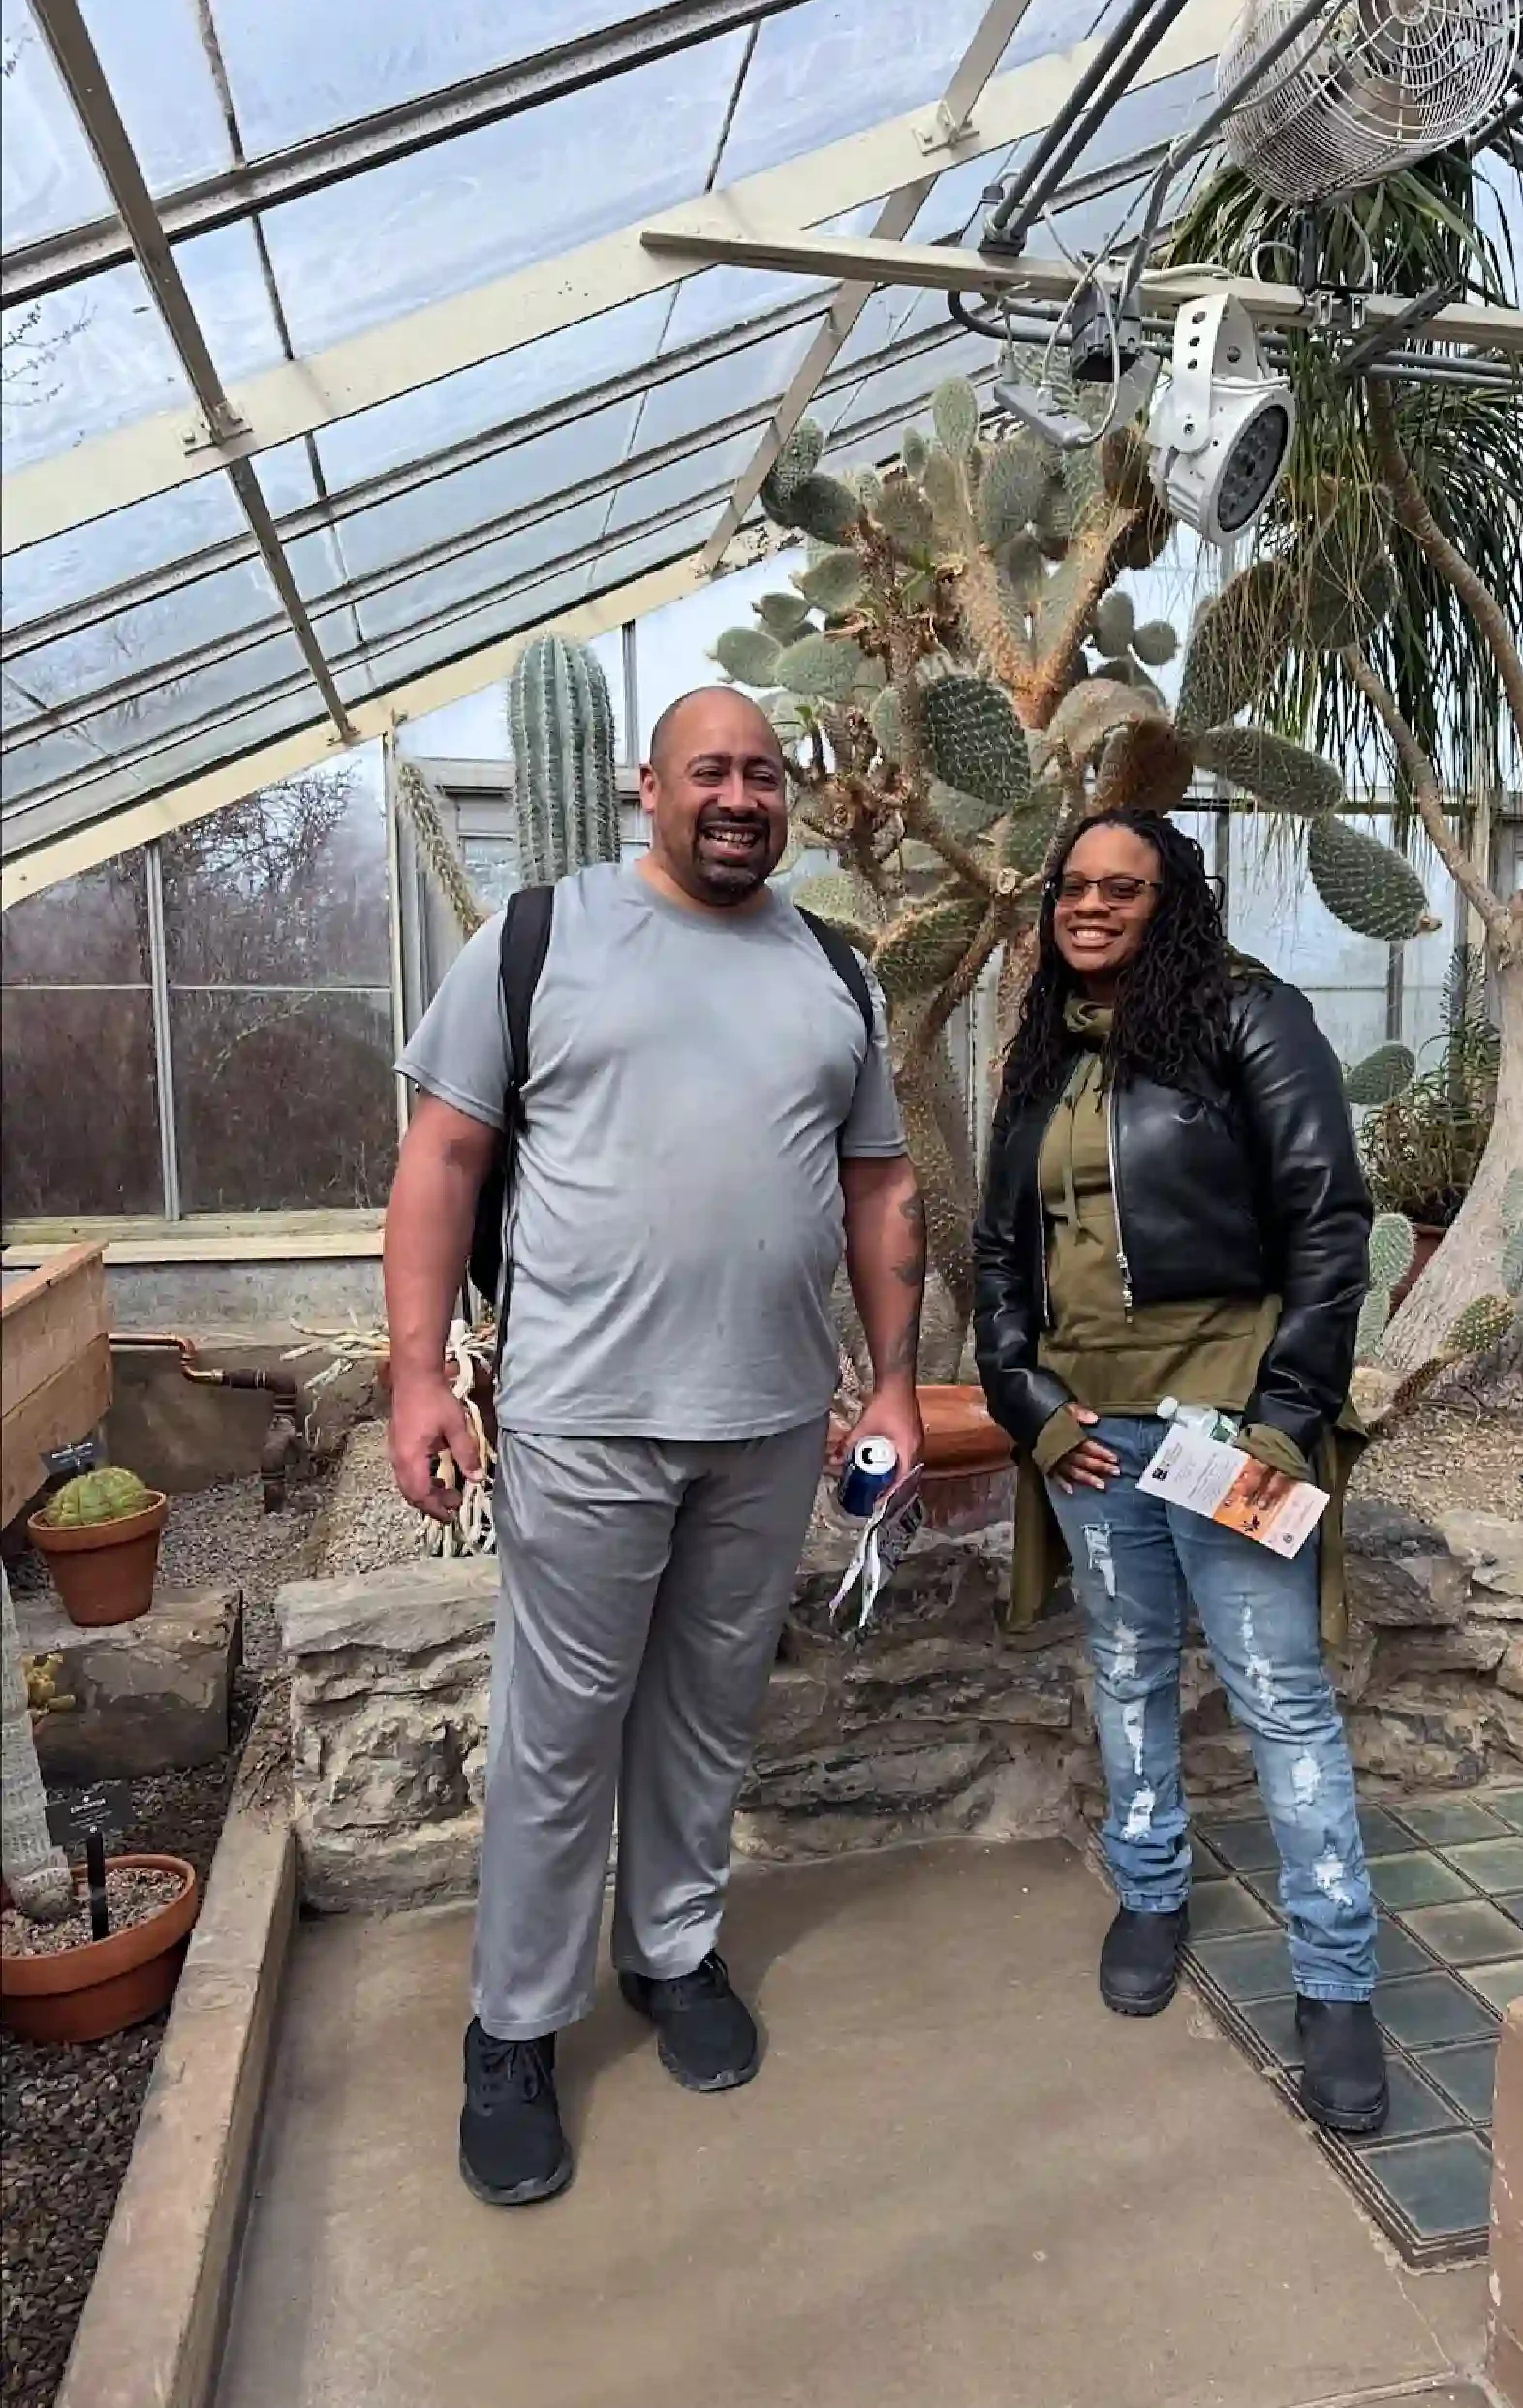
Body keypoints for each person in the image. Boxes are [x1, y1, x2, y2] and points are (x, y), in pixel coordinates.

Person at [385, 685, 925, 2207]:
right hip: (585, 1421)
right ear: (646, 788)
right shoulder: (539, 938)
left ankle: (673, 1952)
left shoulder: (830, 971)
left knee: (703, 1714)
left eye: (761, 773)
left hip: (764, 1423)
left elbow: (880, 1189)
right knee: (558, 1741)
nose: (738, 796)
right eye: (710, 771)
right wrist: (416, 1378)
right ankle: (514, 2027)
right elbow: (441, 1157)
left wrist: (889, 1388)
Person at [974, 806, 1386, 2133]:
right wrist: (1030, 1406)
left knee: (1278, 1695)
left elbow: (1328, 1221)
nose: (1088, 907)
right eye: (1071, 887)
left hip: (1226, 1431)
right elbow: (993, 1259)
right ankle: (1149, 1898)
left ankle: (1334, 1984)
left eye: (1121, 889)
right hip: (1089, 1440)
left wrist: (1283, 1416)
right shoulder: (1039, 1052)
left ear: (1171, 901)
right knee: (1126, 1671)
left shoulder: (1246, 1022)